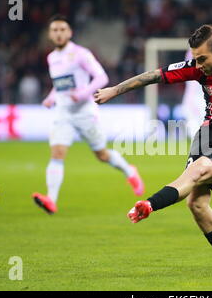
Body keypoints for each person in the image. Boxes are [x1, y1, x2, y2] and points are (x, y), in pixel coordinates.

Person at [94, 25, 212, 277]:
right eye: (196, 59)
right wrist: (113, 91)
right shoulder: (197, 67)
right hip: (209, 132)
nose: (198, 64)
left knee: (199, 171)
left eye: (202, 58)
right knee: (197, 203)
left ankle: (149, 204)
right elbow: (153, 75)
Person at [32, 15, 144, 214]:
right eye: (55, 30)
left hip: (85, 112)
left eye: (62, 29)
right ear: (50, 34)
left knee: (101, 154)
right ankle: (51, 199)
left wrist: (83, 93)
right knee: (57, 154)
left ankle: (129, 170)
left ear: (70, 32)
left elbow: (102, 77)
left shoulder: (81, 54)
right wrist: (51, 97)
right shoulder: (52, 58)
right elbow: (60, 85)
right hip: (63, 113)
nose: (58, 34)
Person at [181, 13, 212, 138]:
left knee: (210, 144)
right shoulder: (195, 51)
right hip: (195, 102)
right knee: (203, 143)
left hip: (204, 102)